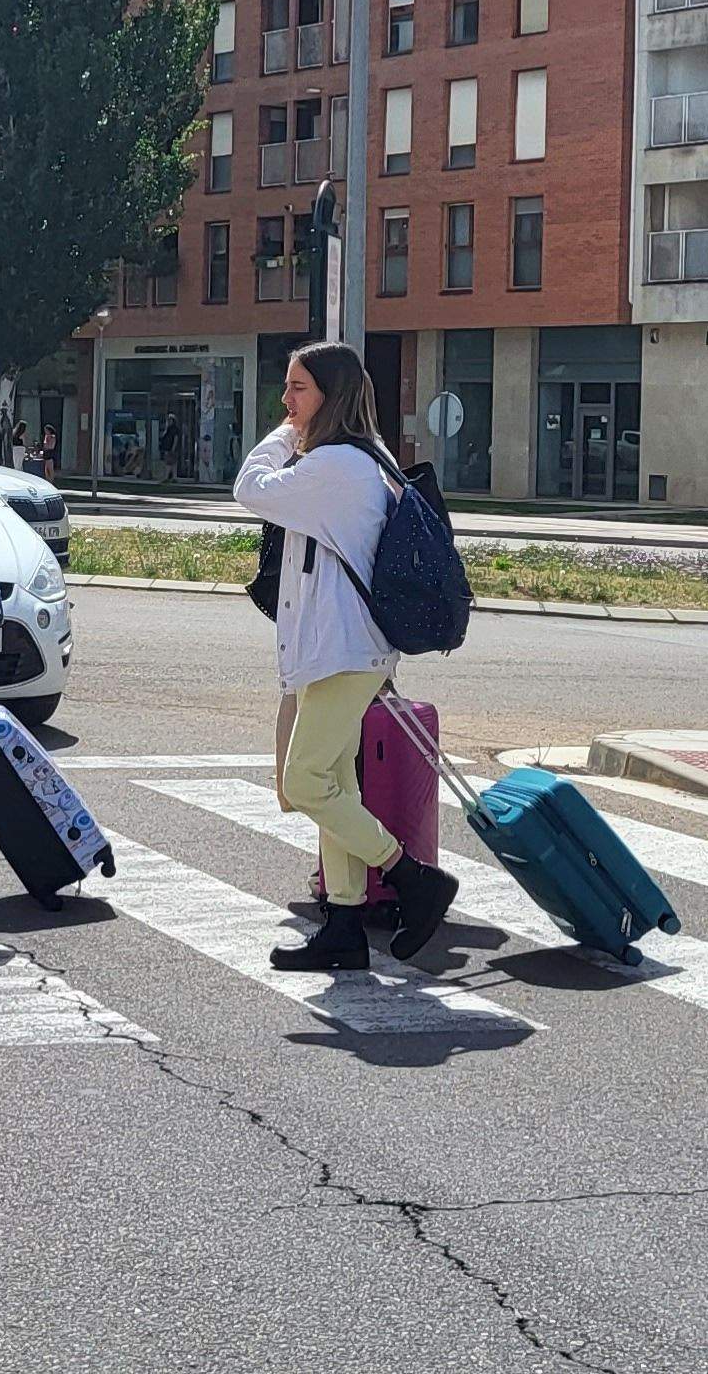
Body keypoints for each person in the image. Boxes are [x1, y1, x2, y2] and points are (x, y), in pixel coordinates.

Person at [232, 341, 458, 971]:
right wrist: (300, 423)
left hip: (341, 650)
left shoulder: (337, 464)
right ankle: (345, 925)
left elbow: (249, 487)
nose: (286, 400)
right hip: (344, 647)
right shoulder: (365, 457)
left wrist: (286, 431)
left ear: (327, 397)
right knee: (333, 784)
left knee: (305, 781)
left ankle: (413, 878)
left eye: (297, 389)